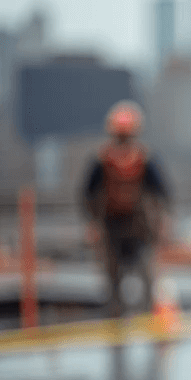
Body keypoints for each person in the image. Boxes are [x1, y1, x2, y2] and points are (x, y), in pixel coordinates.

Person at [82, 100, 170, 318]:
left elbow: (161, 192)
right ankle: (116, 325)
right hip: (112, 227)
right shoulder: (102, 160)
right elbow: (88, 194)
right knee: (113, 286)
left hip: (138, 227)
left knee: (147, 280)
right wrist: (92, 224)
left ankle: (147, 322)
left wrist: (163, 220)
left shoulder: (144, 158)